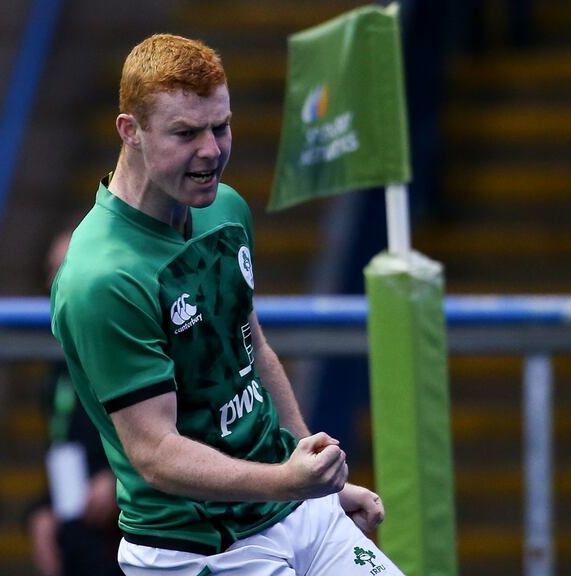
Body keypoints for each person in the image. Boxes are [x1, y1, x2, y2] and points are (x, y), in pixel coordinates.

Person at [50, 34, 404, 575]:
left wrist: (312, 473)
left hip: (290, 506)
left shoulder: (226, 209)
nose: (212, 150)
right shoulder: (102, 277)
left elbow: (251, 347)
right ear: (131, 131)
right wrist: (289, 481)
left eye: (221, 126)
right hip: (198, 549)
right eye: (186, 133)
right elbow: (157, 456)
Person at [26, 227, 122, 576]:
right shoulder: (60, 362)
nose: (56, 283)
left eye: (67, 267)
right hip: (76, 520)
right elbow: (63, 442)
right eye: (52, 270)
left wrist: (118, 480)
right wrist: (43, 510)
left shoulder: (130, 345)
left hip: (131, 522)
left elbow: (179, 431)